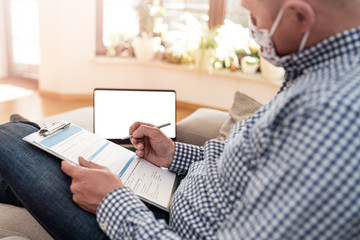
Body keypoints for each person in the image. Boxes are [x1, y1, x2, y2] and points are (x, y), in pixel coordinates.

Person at [1, 0, 360, 239]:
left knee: (13, 135)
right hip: (167, 195)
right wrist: (175, 154)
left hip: (157, 226)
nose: (253, 27)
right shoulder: (315, 74)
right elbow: (246, 164)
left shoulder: (332, 115)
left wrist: (112, 200)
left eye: (254, 15)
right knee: (35, 140)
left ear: (300, 17)